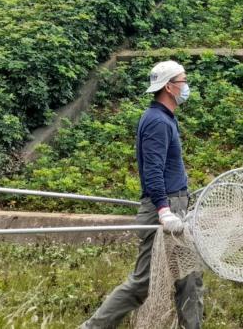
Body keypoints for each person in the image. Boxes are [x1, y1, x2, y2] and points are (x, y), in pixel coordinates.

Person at [81, 60, 203, 329]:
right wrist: (163, 210)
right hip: (164, 210)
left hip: (174, 203)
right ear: (170, 87)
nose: (187, 85)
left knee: (190, 278)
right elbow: (152, 172)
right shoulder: (157, 122)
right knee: (142, 283)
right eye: (183, 81)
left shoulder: (165, 118)